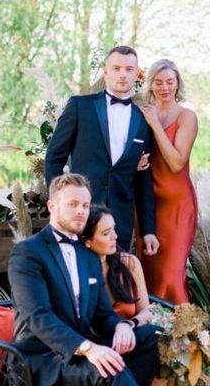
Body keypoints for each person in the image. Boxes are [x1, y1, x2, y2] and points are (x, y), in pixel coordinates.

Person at [8, 173, 210, 386]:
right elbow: (38, 317)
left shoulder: (87, 257)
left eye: (85, 205)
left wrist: (121, 326)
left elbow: (102, 315)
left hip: (79, 356)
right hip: (38, 362)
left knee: (151, 337)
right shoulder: (28, 253)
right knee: (107, 368)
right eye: (72, 204)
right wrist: (88, 348)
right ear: (51, 206)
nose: (80, 211)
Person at [81, 205, 199, 386]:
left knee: (174, 338)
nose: (115, 237)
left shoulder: (128, 263)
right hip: (103, 346)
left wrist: (130, 323)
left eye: (114, 230)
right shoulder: (79, 272)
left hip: (135, 333)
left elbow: (147, 309)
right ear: (88, 241)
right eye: (106, 233)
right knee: (156, 342)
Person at [44, 45, 159, 255]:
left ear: (137, 73)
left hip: (120, 220)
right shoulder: (80, 107)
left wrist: (149, 229)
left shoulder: (143, 120)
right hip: (80, 215)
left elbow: (143, 178)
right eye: (116, 68)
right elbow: (53, 158)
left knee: (115, 284)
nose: (122, 74)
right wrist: (58, 203)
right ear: (106, 72)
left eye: (128, 69)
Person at [135, 59, 198, 305]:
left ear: (177, 84)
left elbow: (176, 162)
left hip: (177, 204)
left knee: (172, 273)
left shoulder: (186, 117)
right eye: (158, 82)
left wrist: (155, 126)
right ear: (150, 85)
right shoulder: (142, 113)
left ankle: (184, 336)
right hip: (147, 202)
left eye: (170, 82)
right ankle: (154, 334)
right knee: (149, 273)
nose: (164, 88)